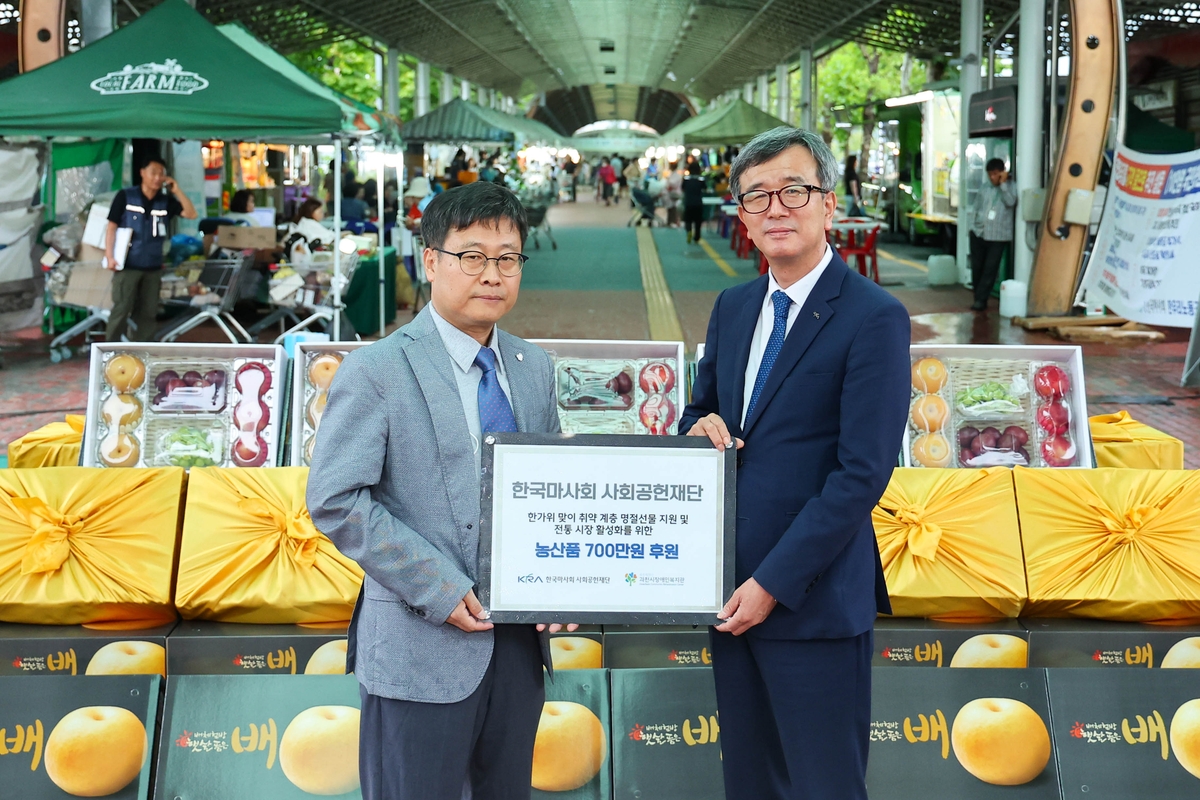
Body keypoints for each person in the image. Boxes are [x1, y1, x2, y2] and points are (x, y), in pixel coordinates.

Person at [307, 181, 576, 800]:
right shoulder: (377, 370)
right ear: (431, 260)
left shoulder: (534, 369)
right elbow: (336, 498)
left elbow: (551, 493)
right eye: (472, 255)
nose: (493, 274)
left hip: (518, 649)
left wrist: (564, 579)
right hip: (418, 646)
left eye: (508, 258)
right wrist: (439, 586)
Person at [680, 127, 910, 800]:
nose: (776, 208)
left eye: (794, 190)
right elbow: (700, 413)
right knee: (749, 782)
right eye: (757, 196)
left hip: (811, 600)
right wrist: (701, 426)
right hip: (728, 594)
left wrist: (773, 583)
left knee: (823, 784)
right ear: (742, 216)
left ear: (829, 203)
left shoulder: (874, 316)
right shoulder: (734, 306)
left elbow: (862, 474)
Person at [104, 156, 198, 341]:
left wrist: (177, 191)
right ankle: (111, 350)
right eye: (153, 173)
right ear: (142, 173)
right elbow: (111, 227)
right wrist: (109, 256)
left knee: (148, 313)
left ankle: (142, 349)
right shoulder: (125, 196)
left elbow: (191, 213)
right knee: (121, 308)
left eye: (161, 174)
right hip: (127, 265)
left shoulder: (165, 202)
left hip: (153, 266)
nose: (157, 178)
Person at [969, 157, 1017, 311]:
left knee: (990, 268)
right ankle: (978, 295)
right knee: (977, 267)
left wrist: (1003, 184)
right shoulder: (985, 188)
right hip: (979, 233)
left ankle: (981, 300)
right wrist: (973, 226)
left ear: (1002, 173)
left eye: (996, 174)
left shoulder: (1010, 187)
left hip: (998, 236)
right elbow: (976, 207)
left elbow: (1011, 202)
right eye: (990, 174)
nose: (992, 177)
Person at [681, 163, 706, 244]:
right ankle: (697, 237)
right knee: (697, 221)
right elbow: (705, 188)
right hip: (698, 203)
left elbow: (683, 188)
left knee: (688, 220)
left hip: (688, 202)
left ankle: (689, 231)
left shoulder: (686, 179)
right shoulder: (701, 179)